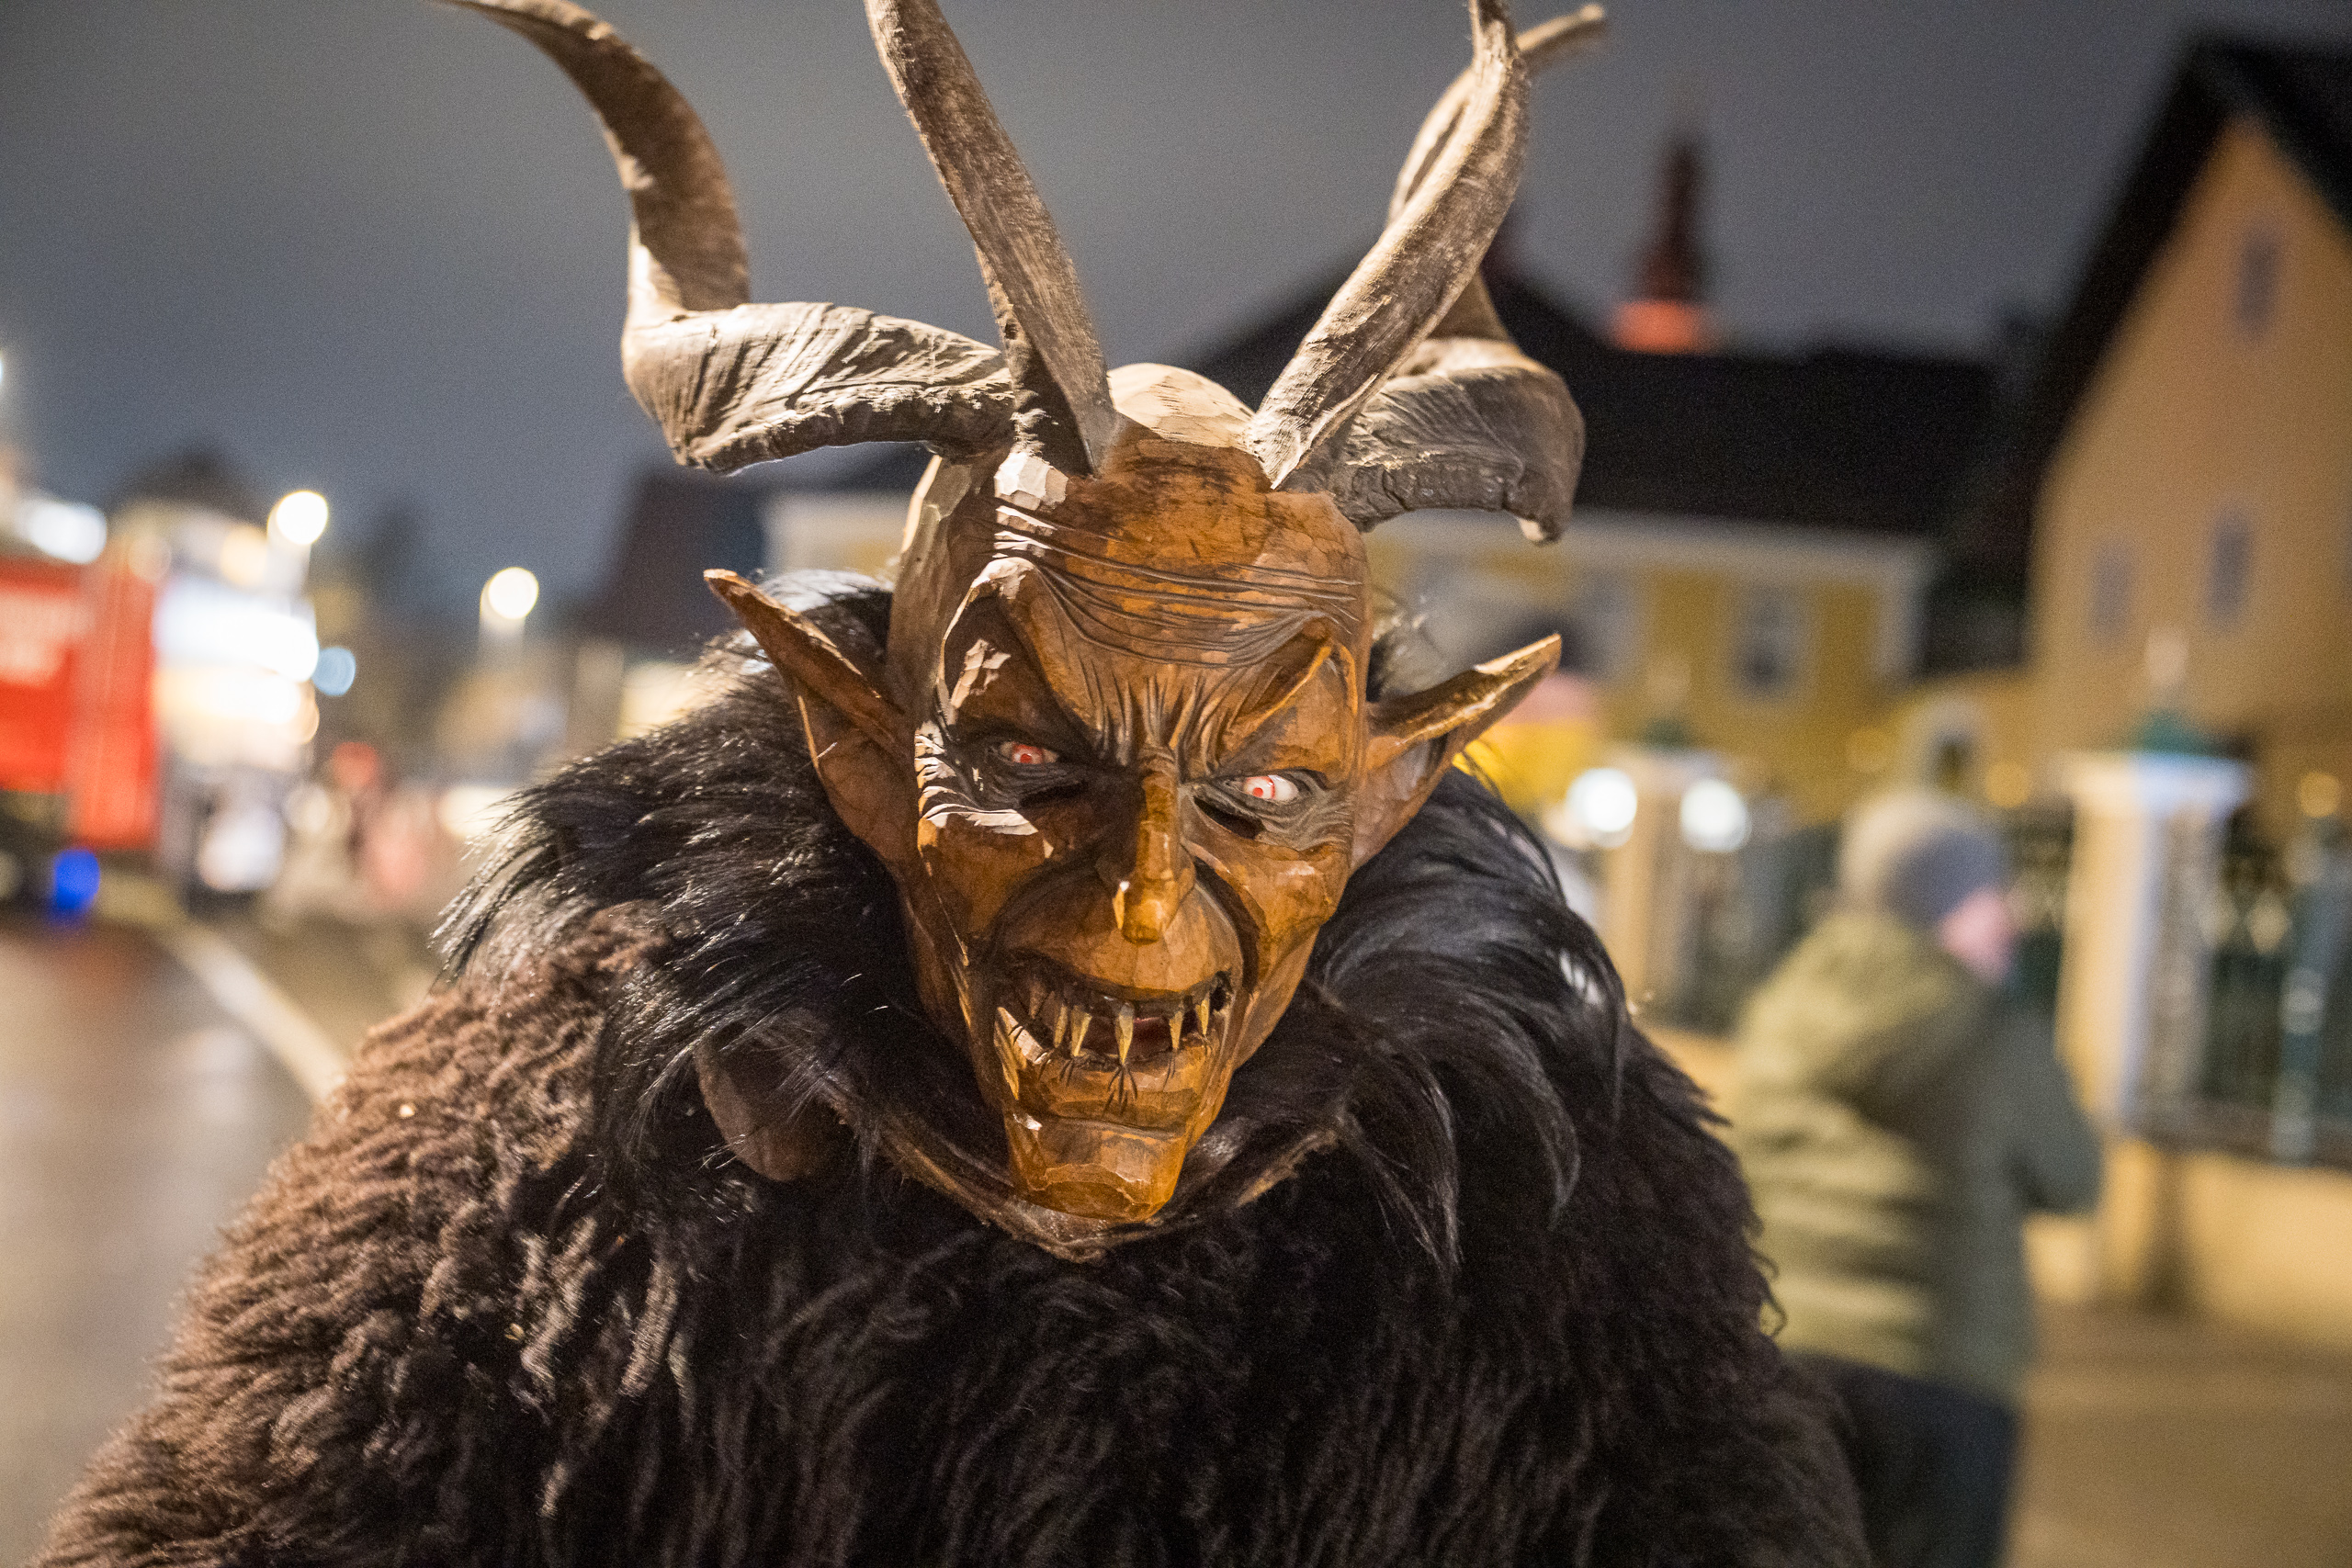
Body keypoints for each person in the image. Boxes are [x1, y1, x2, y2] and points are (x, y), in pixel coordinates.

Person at [33, 2, 1867, 1564]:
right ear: (853, 739)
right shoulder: (567, 1114)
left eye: (1257, 795)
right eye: (1031, 763)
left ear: (1387, 788)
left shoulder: (1543, 1210)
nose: (1139, 896)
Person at [1733, 790, 2103, 1568]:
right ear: (1951, 901)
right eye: (1991, 894)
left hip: (1790, 1356)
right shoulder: (1990, 1030)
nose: (2009, 915)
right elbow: (2074, 1177)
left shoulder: (1783, 1007)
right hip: (1944, 1374)